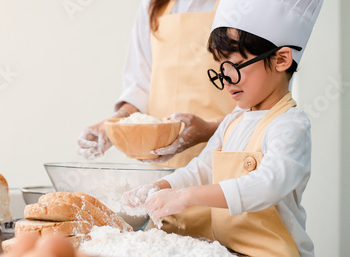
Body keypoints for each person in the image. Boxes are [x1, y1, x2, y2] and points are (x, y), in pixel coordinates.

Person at [125, 0, 324, 256]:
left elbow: (268, 184)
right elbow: (203, 168)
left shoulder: (289, 124)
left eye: (236, 65)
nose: (227, 79)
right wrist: (165, 185)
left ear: (281, 59)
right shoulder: (235, 119)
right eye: (222, 67)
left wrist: (188, 196)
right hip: (231, 249)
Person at [77, 0, 236, 240]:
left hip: (227, 168)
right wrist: (116, 124)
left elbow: (262, 96)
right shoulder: (154, 6)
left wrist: (209, 130)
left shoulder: (243, 6)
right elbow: (140, 88)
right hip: (163, 180)